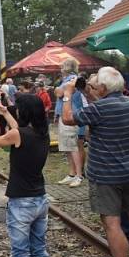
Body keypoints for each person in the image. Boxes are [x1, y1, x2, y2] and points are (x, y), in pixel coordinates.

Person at [62, 66, 129, 257]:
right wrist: (90, 94)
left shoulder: (99, 109)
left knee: (112, 224)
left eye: (94, 85)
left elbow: (68, 119)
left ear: (101, 88)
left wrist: (68, 94)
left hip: (106, 176)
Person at [0, 94, 52, 257]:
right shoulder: (42, 132)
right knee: (39, 250)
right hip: (40, 199)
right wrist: (5, 113)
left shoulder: (19, 135)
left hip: (21, 202)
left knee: (21, 253)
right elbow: (19, 131)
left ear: (26, 111)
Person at [54, 57, 84, 187]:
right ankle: (72, 174)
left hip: (70, 116)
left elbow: (60, 93)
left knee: (72, 146)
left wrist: (57, 90)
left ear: (66, 67)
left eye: (62, 66)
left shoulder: (71, 79)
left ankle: (78, 175)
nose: (60, 69)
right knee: (67, 146)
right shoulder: (68, 79)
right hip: (66, 115)